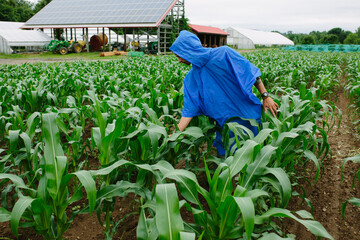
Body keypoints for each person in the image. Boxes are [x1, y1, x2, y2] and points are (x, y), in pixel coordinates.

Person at [170, 30, 279, 156]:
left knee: (255, 155)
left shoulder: (224, 54)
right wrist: (176, 133)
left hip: (248, 117)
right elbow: (189, 110)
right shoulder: (191, 79)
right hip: (226, 127)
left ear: (188, 50)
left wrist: (266, 96)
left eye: (179, 56)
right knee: (228, 161)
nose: (179, 61)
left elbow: (250, 73)